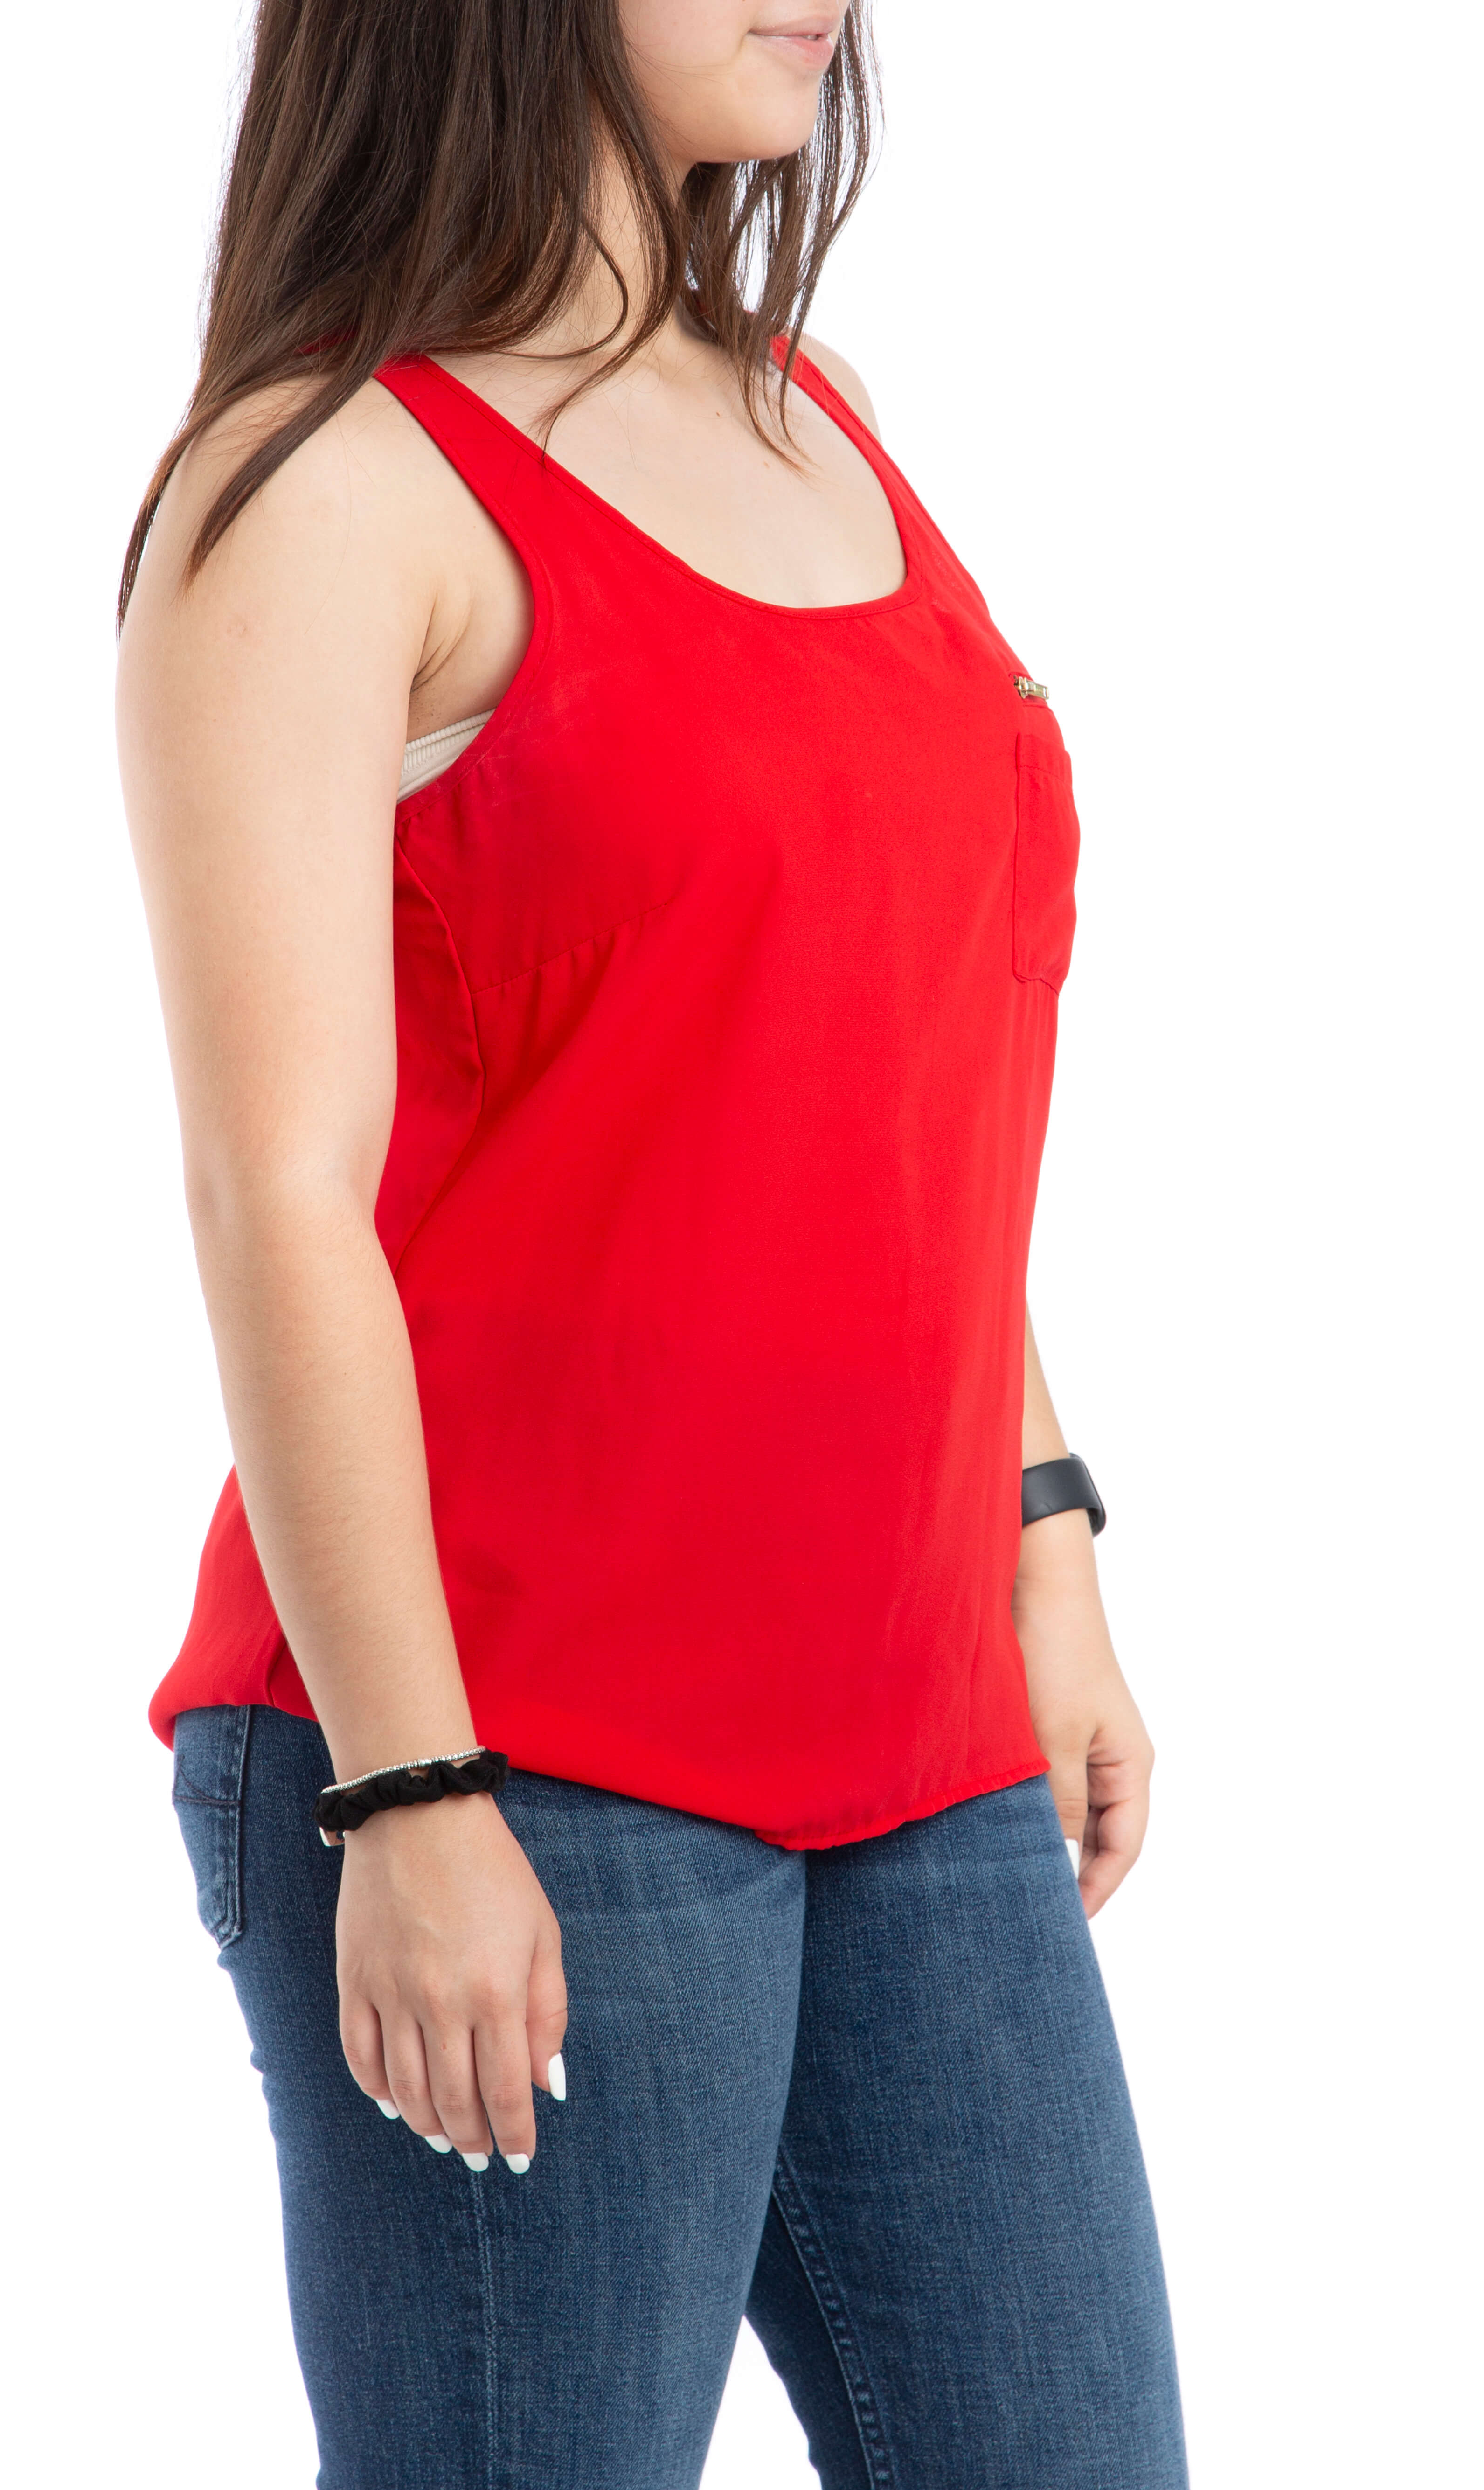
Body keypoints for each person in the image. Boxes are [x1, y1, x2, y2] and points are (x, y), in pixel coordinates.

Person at [117, 4, 1188, 2483]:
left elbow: (881, 1067)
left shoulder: (818, 427)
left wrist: (1041, 1541)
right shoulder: (321, 488)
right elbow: (276, 1190)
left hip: (913, 1730)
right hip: (516, 1737)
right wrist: (409, 1787)